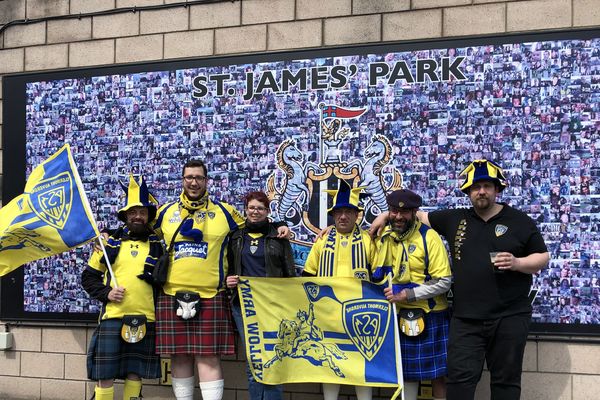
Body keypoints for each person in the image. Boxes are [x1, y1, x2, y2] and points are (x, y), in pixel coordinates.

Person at [371, 160, 549, 400]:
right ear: (468, 191)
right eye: (476, 187)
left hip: (510, 317)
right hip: (466, 320)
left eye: (487, 185)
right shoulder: (455, 218)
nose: (481, 191)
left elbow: (543, 257)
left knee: (505, 382)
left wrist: (518, 263)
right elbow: (415, 215)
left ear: (498, 190)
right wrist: (385, 215)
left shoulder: (519, 221)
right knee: (459, 383)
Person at [152, 160, 290, 400]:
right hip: (172, 295)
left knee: (209, 356)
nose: (193, 182)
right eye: (189, 177)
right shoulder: (165, 212)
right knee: (179, 356)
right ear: (182, 180)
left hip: (211, 295)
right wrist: (108, 234)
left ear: (206, 181)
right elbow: (141, 232)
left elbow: (253, 225)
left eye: (199, 177)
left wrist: (279, 225)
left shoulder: (225, 211)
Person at [83, 175, 162, 400]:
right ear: (125, 215)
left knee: (135, 373)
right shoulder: (108, 243)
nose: (138, 216)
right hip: (113, 317)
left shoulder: (159, 245)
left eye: (142, 212)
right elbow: (88, 278)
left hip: (146, 318)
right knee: (105, 374)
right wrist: (107, 293)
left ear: (148, 216)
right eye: (133, 212)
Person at [372, 189, 451, 400]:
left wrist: (409, 294)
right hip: (397, 314)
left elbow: (444, 282)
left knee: (438, 376)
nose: (398, 217)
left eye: (404, 212)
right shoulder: (384, 236)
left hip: (430, 313)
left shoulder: (429, 237)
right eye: (393, 212)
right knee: (406, 375)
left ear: (415, 211)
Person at [303, 180, 374, 400]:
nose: (343, 216)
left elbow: (379, 277)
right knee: (329, 363)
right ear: (333, 216)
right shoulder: (323, 241)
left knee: (361, 364)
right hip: (327, 314)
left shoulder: (368, 240)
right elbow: (308, 275)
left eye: (348, 212)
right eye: (339, 212)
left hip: (359, 314)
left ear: (357, 215)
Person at [226, 191, 296, 400]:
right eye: (252, 208)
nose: (255, 212)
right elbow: (226, 267)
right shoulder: (236, 237)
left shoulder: (279, 236)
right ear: (246, 209)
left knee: (274, 359)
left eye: (260, 208)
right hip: (244, 306)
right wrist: (227, 280)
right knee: (254, 360)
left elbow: (289, 271)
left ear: (267, 211)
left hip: (273, 306)